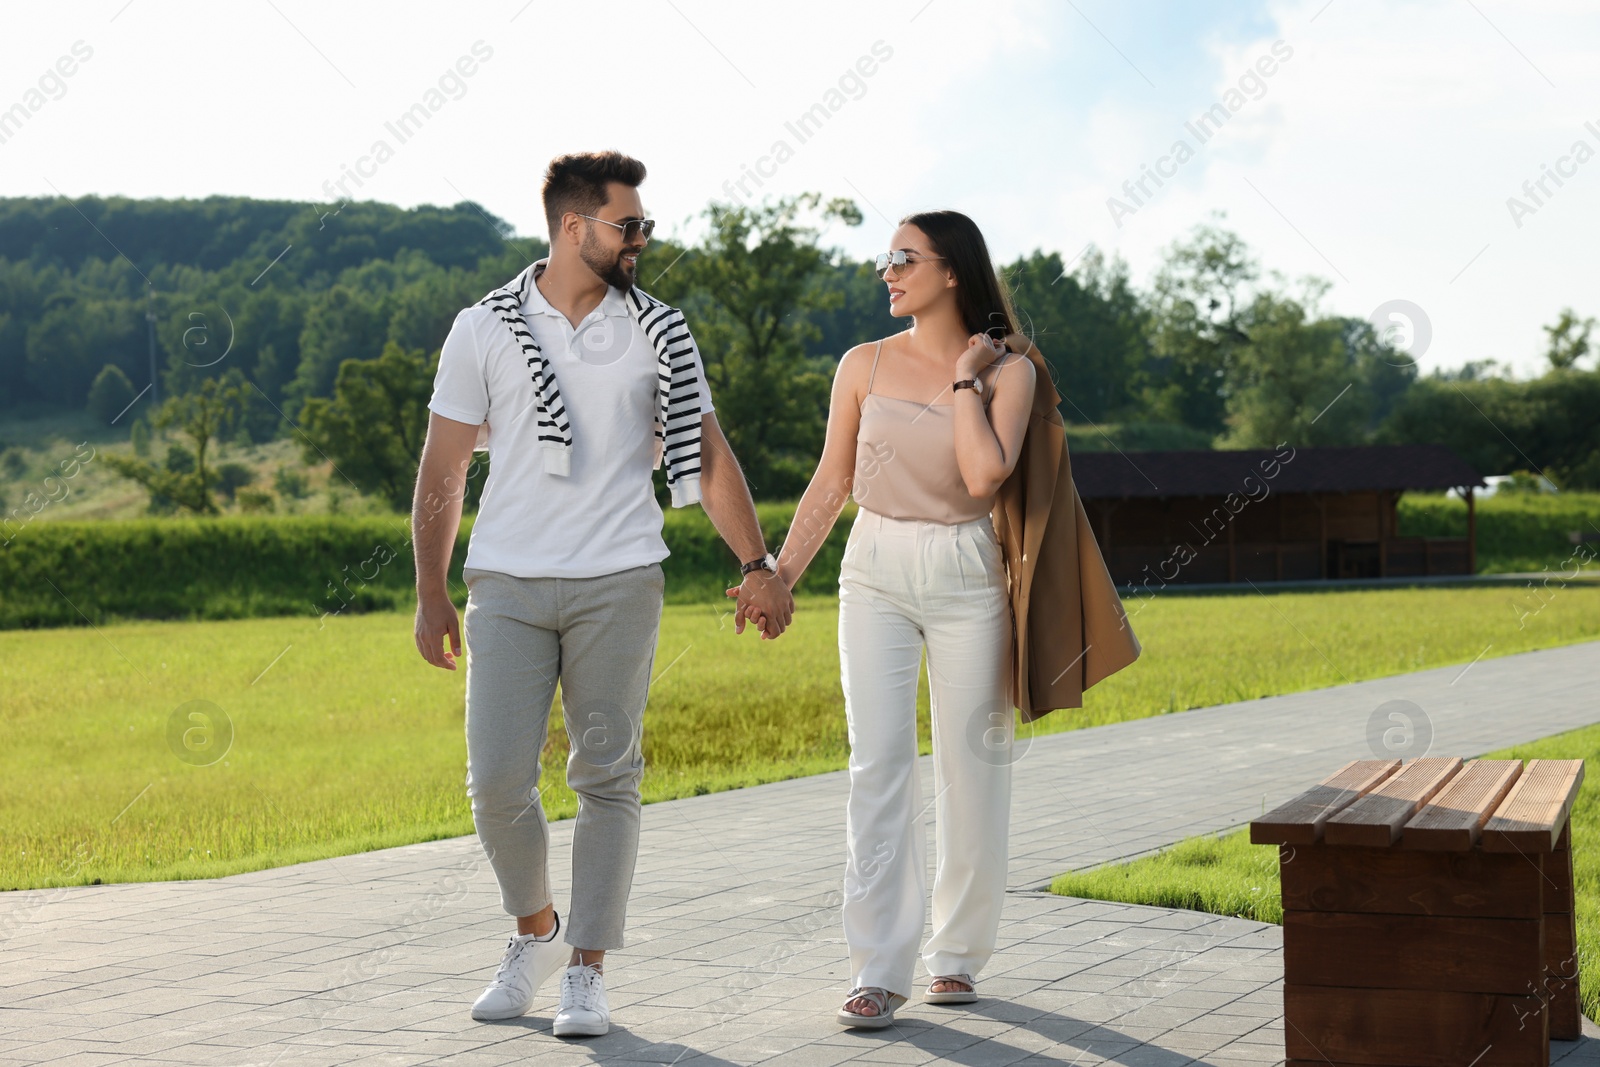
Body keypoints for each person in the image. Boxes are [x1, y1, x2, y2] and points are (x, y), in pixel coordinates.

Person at [412, 150, 793, 1040]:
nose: (641, 239)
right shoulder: (483, 327)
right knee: (497, 781)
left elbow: (705, 443)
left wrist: (757, 563)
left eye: (642, 225)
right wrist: (430, 589)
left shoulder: (659, 330)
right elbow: (444, 465)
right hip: (505, 580)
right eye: (628, 224)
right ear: (573, 226)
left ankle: (587, 968)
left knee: (606, 777)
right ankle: (535, 930)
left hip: (620, 579)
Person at [731, 209, 1036, 1028]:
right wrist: (776, 573)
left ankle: (959, 956)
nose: (886, 271)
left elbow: (983, 479)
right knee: (879, 763)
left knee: (973, 767)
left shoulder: (1011, 373)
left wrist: (968, 378)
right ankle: (876, 964)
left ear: (951, 272)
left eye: (904, 258)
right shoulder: (862, 364)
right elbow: (832, 481)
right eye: (885, 258)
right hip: (874, 569)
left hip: (968, 570)